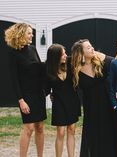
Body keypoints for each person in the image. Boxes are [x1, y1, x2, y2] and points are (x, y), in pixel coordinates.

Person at [70, 39, 117, 157]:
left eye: (91, 46)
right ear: (81, 53)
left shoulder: (102, 60)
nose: (92, 49)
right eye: (88, 47)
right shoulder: (76, 69)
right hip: (92, 109)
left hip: (109, 105)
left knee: (111, 133)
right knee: (95, 137)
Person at [4, 23, 47, 157]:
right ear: (21, 34)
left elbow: (41, 70)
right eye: (29, 33)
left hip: (39, 93)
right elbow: (14, 79)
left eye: (32, 33)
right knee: (28, 129)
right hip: (26, 96)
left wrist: (48, 89)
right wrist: (21, 100)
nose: (32, 35)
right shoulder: (13, 53)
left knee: (40, 128)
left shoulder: (33, 49)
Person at [45, 44, 81, 157]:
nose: (66, 55)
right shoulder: (48, 69)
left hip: (72, 101)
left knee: (71, 130)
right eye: (62, 54)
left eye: (65, 53)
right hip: (59, 103)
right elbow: (45, 89)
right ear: (55, 56)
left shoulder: (70, 63)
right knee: (60, 132)